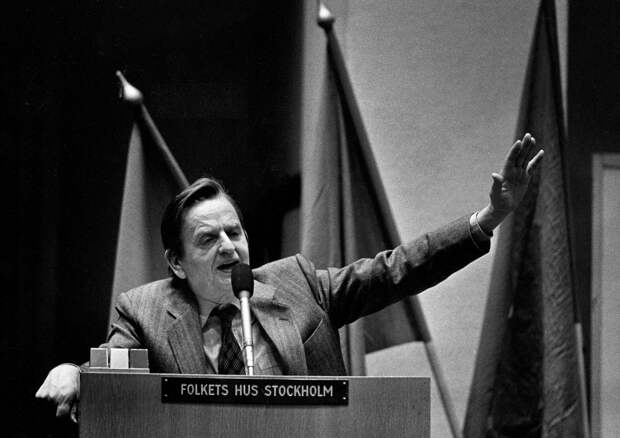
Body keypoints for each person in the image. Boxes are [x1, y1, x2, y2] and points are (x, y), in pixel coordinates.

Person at [36, 133, 543, 422]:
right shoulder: (144, 310)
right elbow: (111, 370)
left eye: (235, 232)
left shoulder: (297, 283)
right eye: (208, 239)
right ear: (176, 263)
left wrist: (489, 218)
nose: (229, 246)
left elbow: (396, 270)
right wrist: (74, 373)